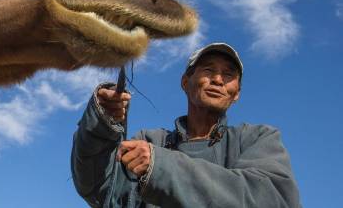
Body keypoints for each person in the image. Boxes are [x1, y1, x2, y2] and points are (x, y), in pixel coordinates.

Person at [71, 42, 300, 207]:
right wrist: (101, 122)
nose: (218, 80)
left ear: (236, 94)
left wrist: (159, 167)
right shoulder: (150, 141)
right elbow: (99, 189)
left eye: (228, 75)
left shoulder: (256, 138)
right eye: (208, 70)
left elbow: (273, 200)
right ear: (185, 82)